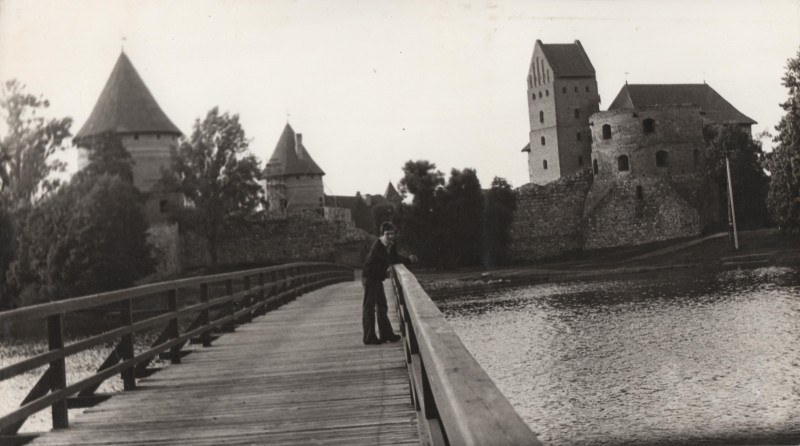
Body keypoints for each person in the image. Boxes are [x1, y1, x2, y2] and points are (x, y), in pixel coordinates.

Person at [361, 221, 418, 345]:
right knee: (369, 307)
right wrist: (408, 260)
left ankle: (386, 334)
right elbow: (389, 259)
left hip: (377, 277)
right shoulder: (378, 246)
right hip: (369, 276)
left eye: (392, 234)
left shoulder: (392, 244)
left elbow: (395, 256)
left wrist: (407, 260)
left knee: (382, 305)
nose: (391, 237)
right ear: (382, 235)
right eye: (388, 234)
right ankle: (369, 337)